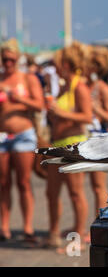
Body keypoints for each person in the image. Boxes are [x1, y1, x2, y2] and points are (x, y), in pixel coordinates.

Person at [45, 41, 92, 248]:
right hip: (57, 144)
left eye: (57, 64)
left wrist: (60, 113)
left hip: (73, 145)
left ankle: (78, 236)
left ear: (66, 64)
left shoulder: (79, 87)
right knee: (51, 192)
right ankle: (54, 233)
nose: (55, 68)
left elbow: (87, 116)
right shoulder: (63, 87)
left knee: (75, 192)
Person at [0, 39, 44, 244]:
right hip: (2, 137)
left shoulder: (28, 79)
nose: (7, 63)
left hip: (23, 135)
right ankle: (4, 226)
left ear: (17, 59)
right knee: (3, 183)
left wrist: (20, 99)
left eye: (11, 59)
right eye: (4, 59)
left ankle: (28, 227)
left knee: (23, 182)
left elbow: (39, 105)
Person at [85, 46, 108, 217]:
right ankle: (80, 226)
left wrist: (96, 108)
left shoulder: (103, 89)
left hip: (97, 140)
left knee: (98, 186)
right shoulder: (83, 86)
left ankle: (101, 219)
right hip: (82, 137)